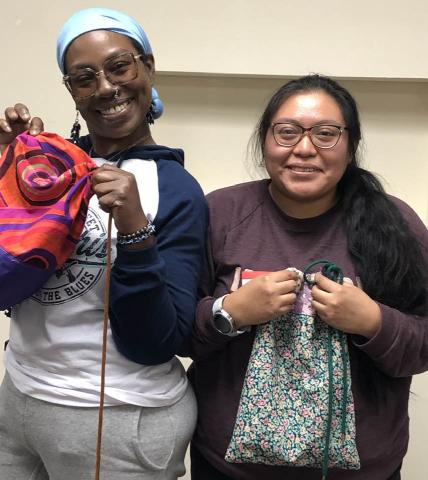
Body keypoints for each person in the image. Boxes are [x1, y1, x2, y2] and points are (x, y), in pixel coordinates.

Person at [0, 7, 207, 480]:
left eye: (120, 66)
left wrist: (135, 230)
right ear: (71, 92)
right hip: (20, 398)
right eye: (84, 78)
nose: (107, 88)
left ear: (148, 68)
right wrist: (6, 173)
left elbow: (157, 341)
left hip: (116, 419)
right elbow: (8, 284)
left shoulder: (176, 190)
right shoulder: (49, 168)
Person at [188, 74, 428, 480]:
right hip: (228, 470)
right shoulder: (220, 215)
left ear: (350, 145)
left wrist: (372, 321)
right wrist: (229, 312)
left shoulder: (396, 222)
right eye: (287, 133)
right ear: (264, 139)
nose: (304, 149)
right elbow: (172, 332)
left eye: (325, 134)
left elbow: (423, 344)